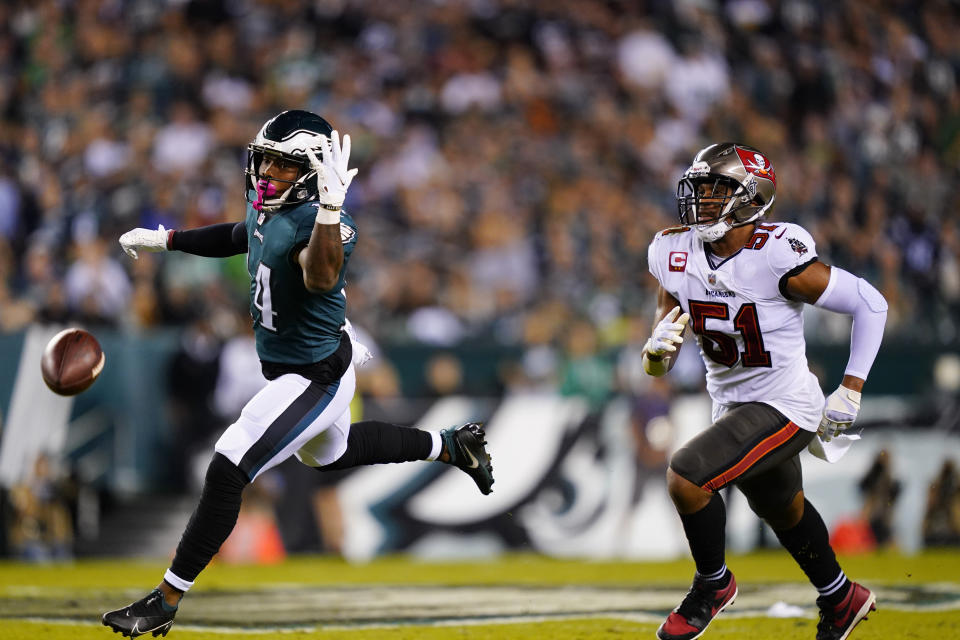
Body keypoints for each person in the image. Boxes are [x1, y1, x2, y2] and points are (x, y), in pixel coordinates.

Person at [101, 110, 494, 638]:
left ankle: (166, 599)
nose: (265, 174)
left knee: (229, 465)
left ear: (313, 173)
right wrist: (168, 240)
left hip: (316, 375)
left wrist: (331, 209)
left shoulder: (329, 224)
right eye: (263, 160)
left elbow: (318, 273)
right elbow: (244, 234)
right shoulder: (271, 205)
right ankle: (450, 447)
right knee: (330, 454)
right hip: (299, 365)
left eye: (282, 166)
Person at [642, 143, 886, 640]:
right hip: (732, 404)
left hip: (786, 404)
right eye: (699, 192)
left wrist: (851, 389)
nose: (702, 204)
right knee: (782, 507)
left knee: (686, 477)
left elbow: (871, 303)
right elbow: (660, 364)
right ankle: (841, 598)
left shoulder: (775, 253)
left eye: (717, 193)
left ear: (753, 199)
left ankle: (712, 585)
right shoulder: (671, 251)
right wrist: (654, 352)